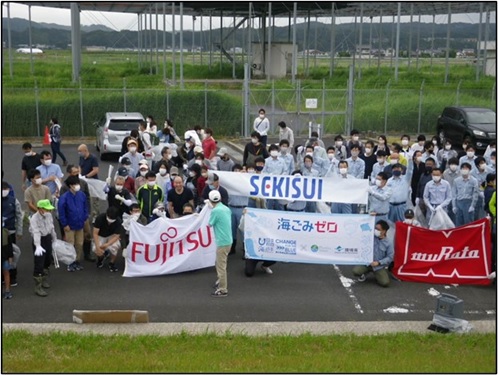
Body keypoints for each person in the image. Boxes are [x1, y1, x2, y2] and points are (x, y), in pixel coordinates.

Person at [58, 175, 88, 272]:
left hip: (80, 224)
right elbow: (61, 212)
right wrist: (65, 224)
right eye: (75, 184)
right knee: (70, 244)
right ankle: (70, 262)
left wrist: (84, 218)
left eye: (77, 183)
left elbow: (85, 207)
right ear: (70, 186)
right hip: (69, 226)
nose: (77, 185)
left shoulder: (82, 195)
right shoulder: (64, 198)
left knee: (79, 243)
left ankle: (77, 260)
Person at [29, 199, 57, 297]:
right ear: (40, 209)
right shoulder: (34, 218)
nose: (48, 211)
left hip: (47, 238)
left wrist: (54, 240)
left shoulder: (48, 215)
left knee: (47, 261)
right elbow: (35, 232)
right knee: (39, 263)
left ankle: (44, 280)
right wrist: (37, 245)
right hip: (39, 240)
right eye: (46, 209)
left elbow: (52, 228)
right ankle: (38, 286)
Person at [352, 220, 394, 287]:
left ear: (384, 231)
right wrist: (369, 217)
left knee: (385, 283)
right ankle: (364, 273)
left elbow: (390, 257)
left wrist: (379, 262)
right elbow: (362, 228)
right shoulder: (371, 237)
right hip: (367, 263)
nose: (375, 230)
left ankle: (377, 274)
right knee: (356, 271)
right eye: (375, 228)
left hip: (378, 266)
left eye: (378, 229)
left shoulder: (389, 243)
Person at [208, 190, 232, 297]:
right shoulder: (226, 209)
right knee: (221, 263)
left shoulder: (215, 211)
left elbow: (210, 224)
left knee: (221, 266)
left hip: (222, 241)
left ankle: (223, 289)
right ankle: (220, 281)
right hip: (228, 240)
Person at [1, 182, 22, 289]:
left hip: (11, 232)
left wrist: (19, 231)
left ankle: (12, 276)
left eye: (6, 189)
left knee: (11, 254)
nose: (4, 191)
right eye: (3, 189)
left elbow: (19, 216)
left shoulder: (13, 200)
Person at [93, 207, 122, 273]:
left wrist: (107, 244)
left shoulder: (118, 221)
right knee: (96, 248)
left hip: (112, 235)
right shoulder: (99, 218)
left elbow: (117, 235)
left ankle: (112, 263)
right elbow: (95, 233)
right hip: (100, 235)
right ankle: (100, 259)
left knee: (115, 247)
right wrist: (98, 247)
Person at [452, 163, 479, 227]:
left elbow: (475, 194)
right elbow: (454, 194)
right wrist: (454, 206)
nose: (464, 170)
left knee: (468, 222)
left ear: (469, 170)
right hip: (459, 202)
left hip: (468, 202)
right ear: (460, 170)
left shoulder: (474, 180)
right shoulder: (456, 180)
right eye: (463, 168)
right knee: (458, 222)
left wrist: (472, 205)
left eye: (466, 168)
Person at [78, 144, 100, 221]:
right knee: (85, 198)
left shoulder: (93, 158)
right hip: (83, 181)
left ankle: (95, 215)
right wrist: (80, 174)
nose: (79, 153)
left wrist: (86, 176)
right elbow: (80, 166)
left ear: (85, 150)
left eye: (80, 151)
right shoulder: (81, 157)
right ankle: (87, 214)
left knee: (94, 199)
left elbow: (96, 170)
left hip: (93, 181)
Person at [2, 223, 14, 299]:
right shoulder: (6, 232)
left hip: (5, 256)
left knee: (6, 273)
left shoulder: (6, 232)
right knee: (6, 273)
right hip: (5, 256)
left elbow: (10, 246)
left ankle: (7, 290)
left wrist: (10, 257)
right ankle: (7, 291)